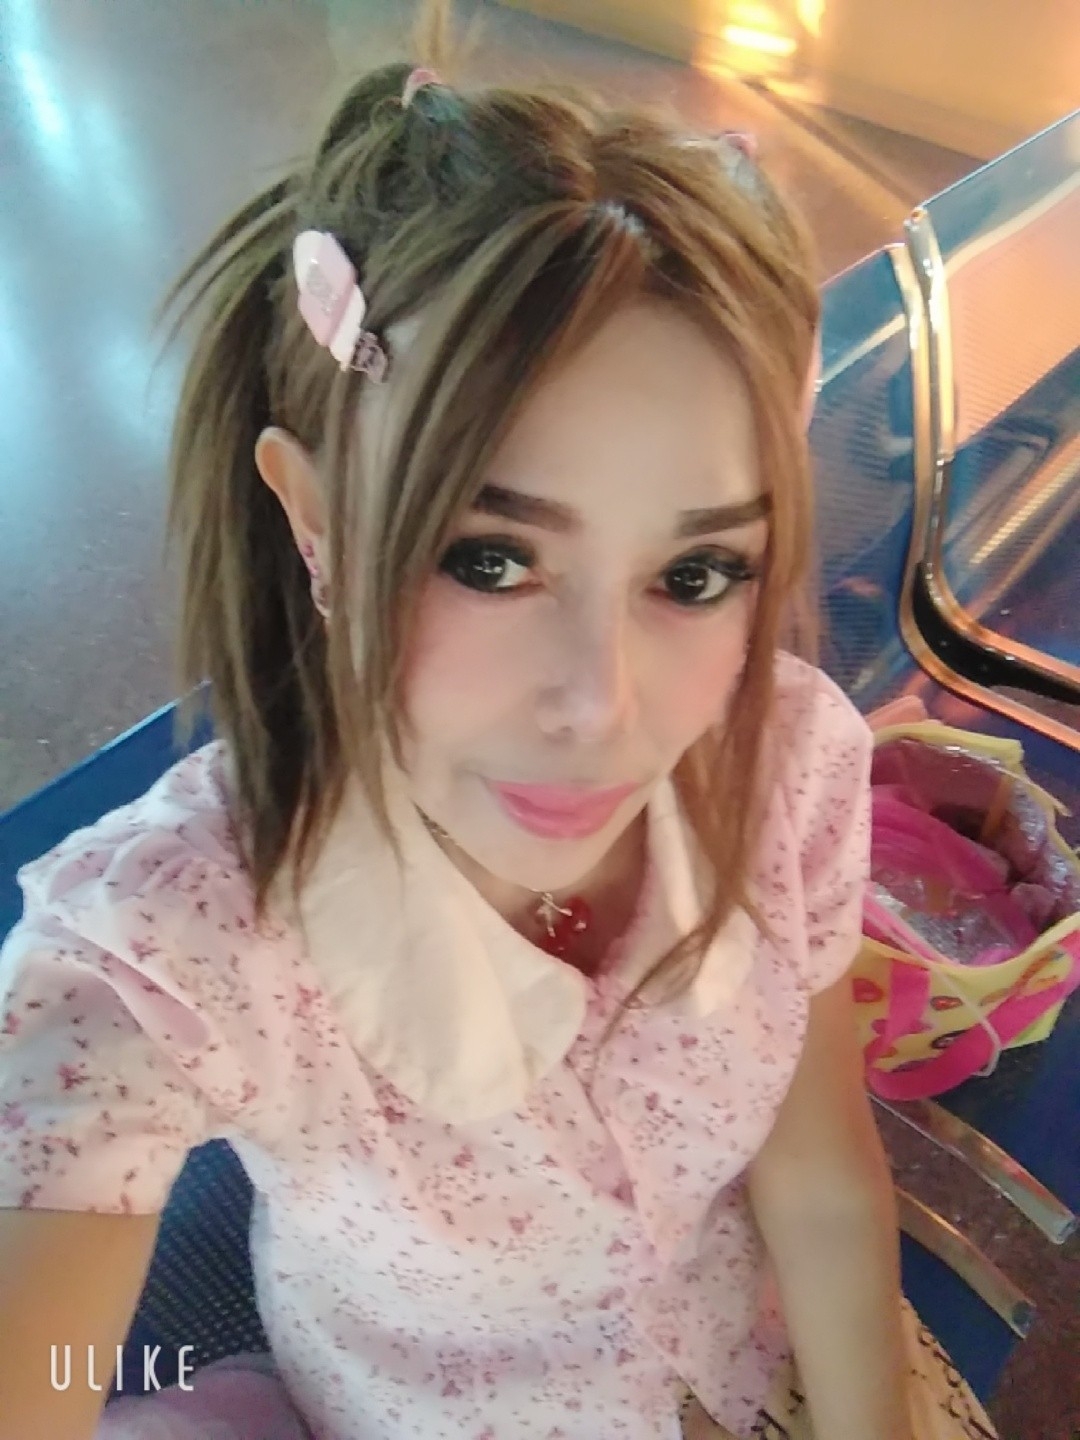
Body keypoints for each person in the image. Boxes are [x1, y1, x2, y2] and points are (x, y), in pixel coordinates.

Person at [0, 7, 998, 1439]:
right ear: (314, 517)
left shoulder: (788, 765)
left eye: (694, 574)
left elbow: (822, 1175)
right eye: (489, 558)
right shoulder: (179, 938)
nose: (604, 708)